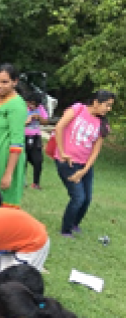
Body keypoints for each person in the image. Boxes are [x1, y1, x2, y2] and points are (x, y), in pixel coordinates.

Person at [53, 90, 114, 238]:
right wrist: (62, 152)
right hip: (67, 162)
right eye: (107, 105)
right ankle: (65, 230)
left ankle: (74, 223)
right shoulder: (78, 109)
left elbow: (95, 151)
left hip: (85, 165)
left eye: (111, 106)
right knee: (78, 198)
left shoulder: (102, 124)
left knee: (87, 199)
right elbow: (59, 127)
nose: (109, 109)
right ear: (96, 102)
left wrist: (84, 170)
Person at [0, 63, 27, 207]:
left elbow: (17, 141)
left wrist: (8, 173)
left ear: (15, 82)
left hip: (5, 159)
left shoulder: (17, 105)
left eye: (5, 82)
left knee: (1, 202)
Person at [24, 92, 48, 190]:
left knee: (38, 161)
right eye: (31, 104)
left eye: (35, 105)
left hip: (35, 137)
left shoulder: (41, 108)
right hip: (23, 136)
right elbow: (16, 124)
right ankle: (22, 182)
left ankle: (36, 183)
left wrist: (39, 117)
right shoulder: (23, 108)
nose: (33, 106)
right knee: (22, 161)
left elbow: (46, 122)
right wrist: (27, 121)